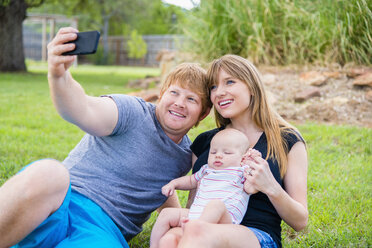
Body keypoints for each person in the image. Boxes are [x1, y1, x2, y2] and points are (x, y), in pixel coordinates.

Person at [0, 27, 211, 248]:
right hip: (62, 202)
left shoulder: (187, 157)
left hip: (101, 231)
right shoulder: (132, 111)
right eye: (174, 93)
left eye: (191, 99)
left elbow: (163, 187)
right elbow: (82, 109)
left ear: (203, 113)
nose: (179, 103)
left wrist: (181, 221)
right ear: (162, 94)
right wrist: (58, 74)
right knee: (49, 173)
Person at [159, 54, 308, 248]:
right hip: (202, 231)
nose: (219, 92)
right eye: (213, 86)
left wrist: (270, 186)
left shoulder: (286, 140)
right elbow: (193, 206)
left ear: (252, 87)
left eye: (229, 82)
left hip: (255, 236)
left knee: (198, 231)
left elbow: (300, 222)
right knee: (172, 239)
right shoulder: (205, 143)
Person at [151, 128, 263, 248]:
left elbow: (252, 188)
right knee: (166, 214)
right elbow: (190, 180)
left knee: (216, 204)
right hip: (195, 215)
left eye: (227, 153)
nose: (218, 156)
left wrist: (253, 162)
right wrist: (174, 183)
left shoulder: (242, 171)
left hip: (224, 221)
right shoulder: (206, 170)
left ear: (242, 158)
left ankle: (196, 229)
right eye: (213, 152)